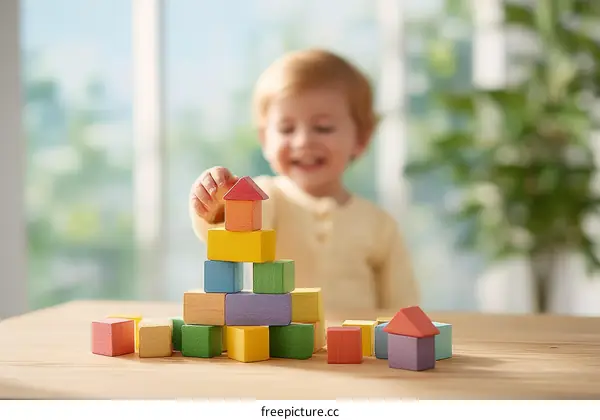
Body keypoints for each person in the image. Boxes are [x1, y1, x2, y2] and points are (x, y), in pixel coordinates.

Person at [188, 48, 420, 312]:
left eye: (323, 128)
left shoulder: (380, 226)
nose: (303, 141)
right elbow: (230, 235)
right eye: (286, 129)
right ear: (265, 139)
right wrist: (215, 205)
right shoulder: (267, 197)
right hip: (281, 346)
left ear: (361, 139)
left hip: (360, 350)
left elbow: (404, 306)